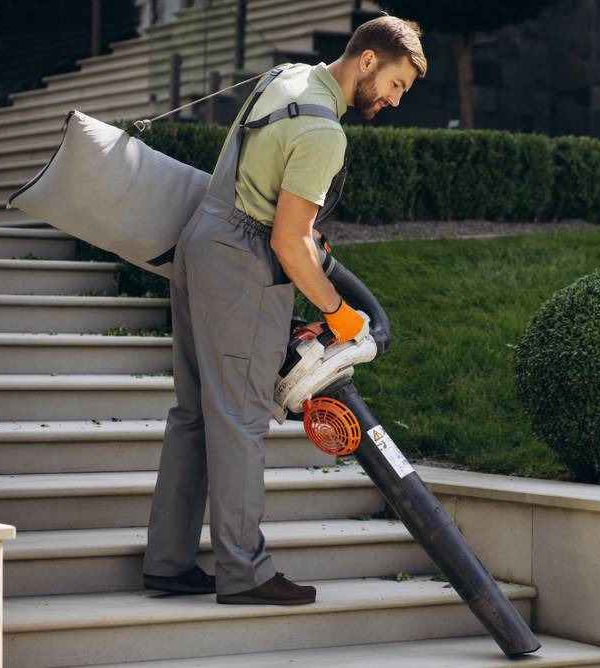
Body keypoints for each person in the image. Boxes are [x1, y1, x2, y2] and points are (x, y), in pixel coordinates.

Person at [141, 14, 427, 606]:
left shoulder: (288, 76)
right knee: (242, 420)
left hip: (201, 239)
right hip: (242, 261)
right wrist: (339, 313)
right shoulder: (325, 132)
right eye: (397, 84)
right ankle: (245, 573)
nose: (396, 100)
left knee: (194, 414)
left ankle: (168, 562)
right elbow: (285, 242)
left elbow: (264, 184)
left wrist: (303, 241)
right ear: (368, 61)